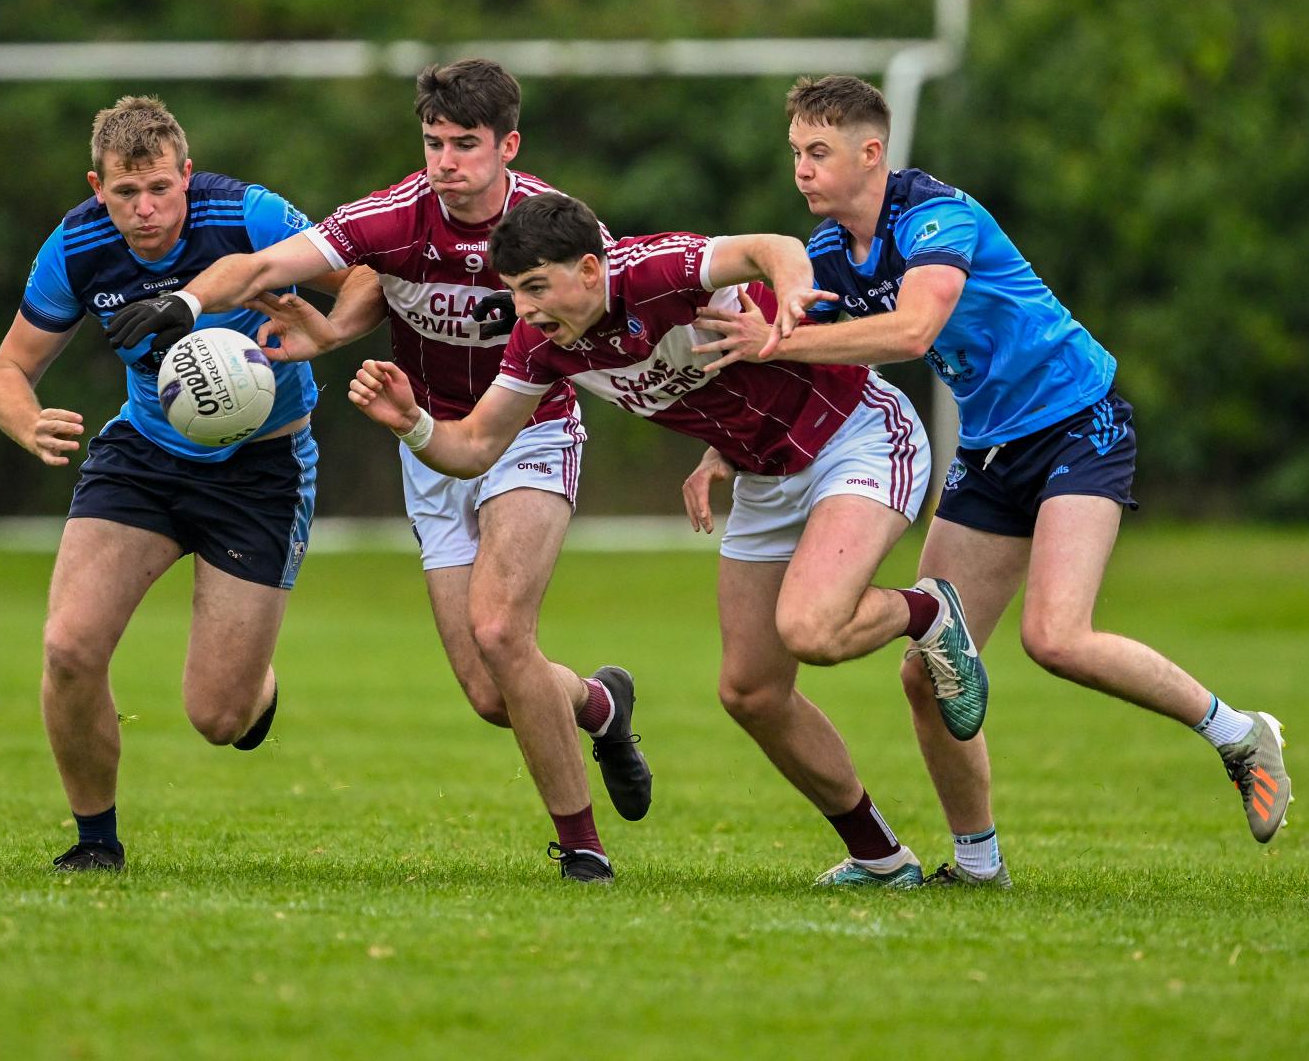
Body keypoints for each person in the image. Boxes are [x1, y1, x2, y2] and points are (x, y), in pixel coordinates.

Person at [686, 74, 1292, 885]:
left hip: (1078, 422)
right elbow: (793, 371)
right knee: (929, 670)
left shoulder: (937, 216)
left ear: (873, 153)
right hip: (992, 450)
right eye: (795, 152)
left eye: (819, 152)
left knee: (1056, 638)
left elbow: (912, 330)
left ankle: (1239, 734)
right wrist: (726, 447)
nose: (801, 169)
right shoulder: (832, 253)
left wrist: (778, 343)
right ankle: (979, 869)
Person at [102, 60, 651, 884]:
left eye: (466, 145)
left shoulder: (553, 228)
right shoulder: (394, 217)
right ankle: (601, 707)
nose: (446, 161)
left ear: (509, 145)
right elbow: (261, 268)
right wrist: (188, 306)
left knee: (503, 632)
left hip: (527, 435)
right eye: (434, 142)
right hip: (430, 449)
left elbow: (623, 305)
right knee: (492, 693)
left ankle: (583, 849)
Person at [342, 191, 989, 889]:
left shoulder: (658, 270)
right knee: (751, 693)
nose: (523, 311)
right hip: (764, 475)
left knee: (812, 627)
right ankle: (882, 858)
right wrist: (411, 422)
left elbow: (771, 246)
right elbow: (474, 447)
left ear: (590, 269)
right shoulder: (541, 342)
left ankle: (927, 612)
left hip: (854, 436)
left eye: (535, 288)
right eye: (513, 293)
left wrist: (791, 297)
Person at [0, 96, 323, 872]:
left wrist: (327, 331)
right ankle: (95, 840)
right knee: (68, 647)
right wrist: (26, 420)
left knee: (218, 716)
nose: (145, 209)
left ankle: (254, 689)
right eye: (125, 192)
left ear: (187, 176)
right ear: (97, 186)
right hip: (144, 457)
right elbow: (7, 369)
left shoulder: (247, 215)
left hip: (263, 470)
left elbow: (365, 273)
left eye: (160, 189)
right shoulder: (78, 245)